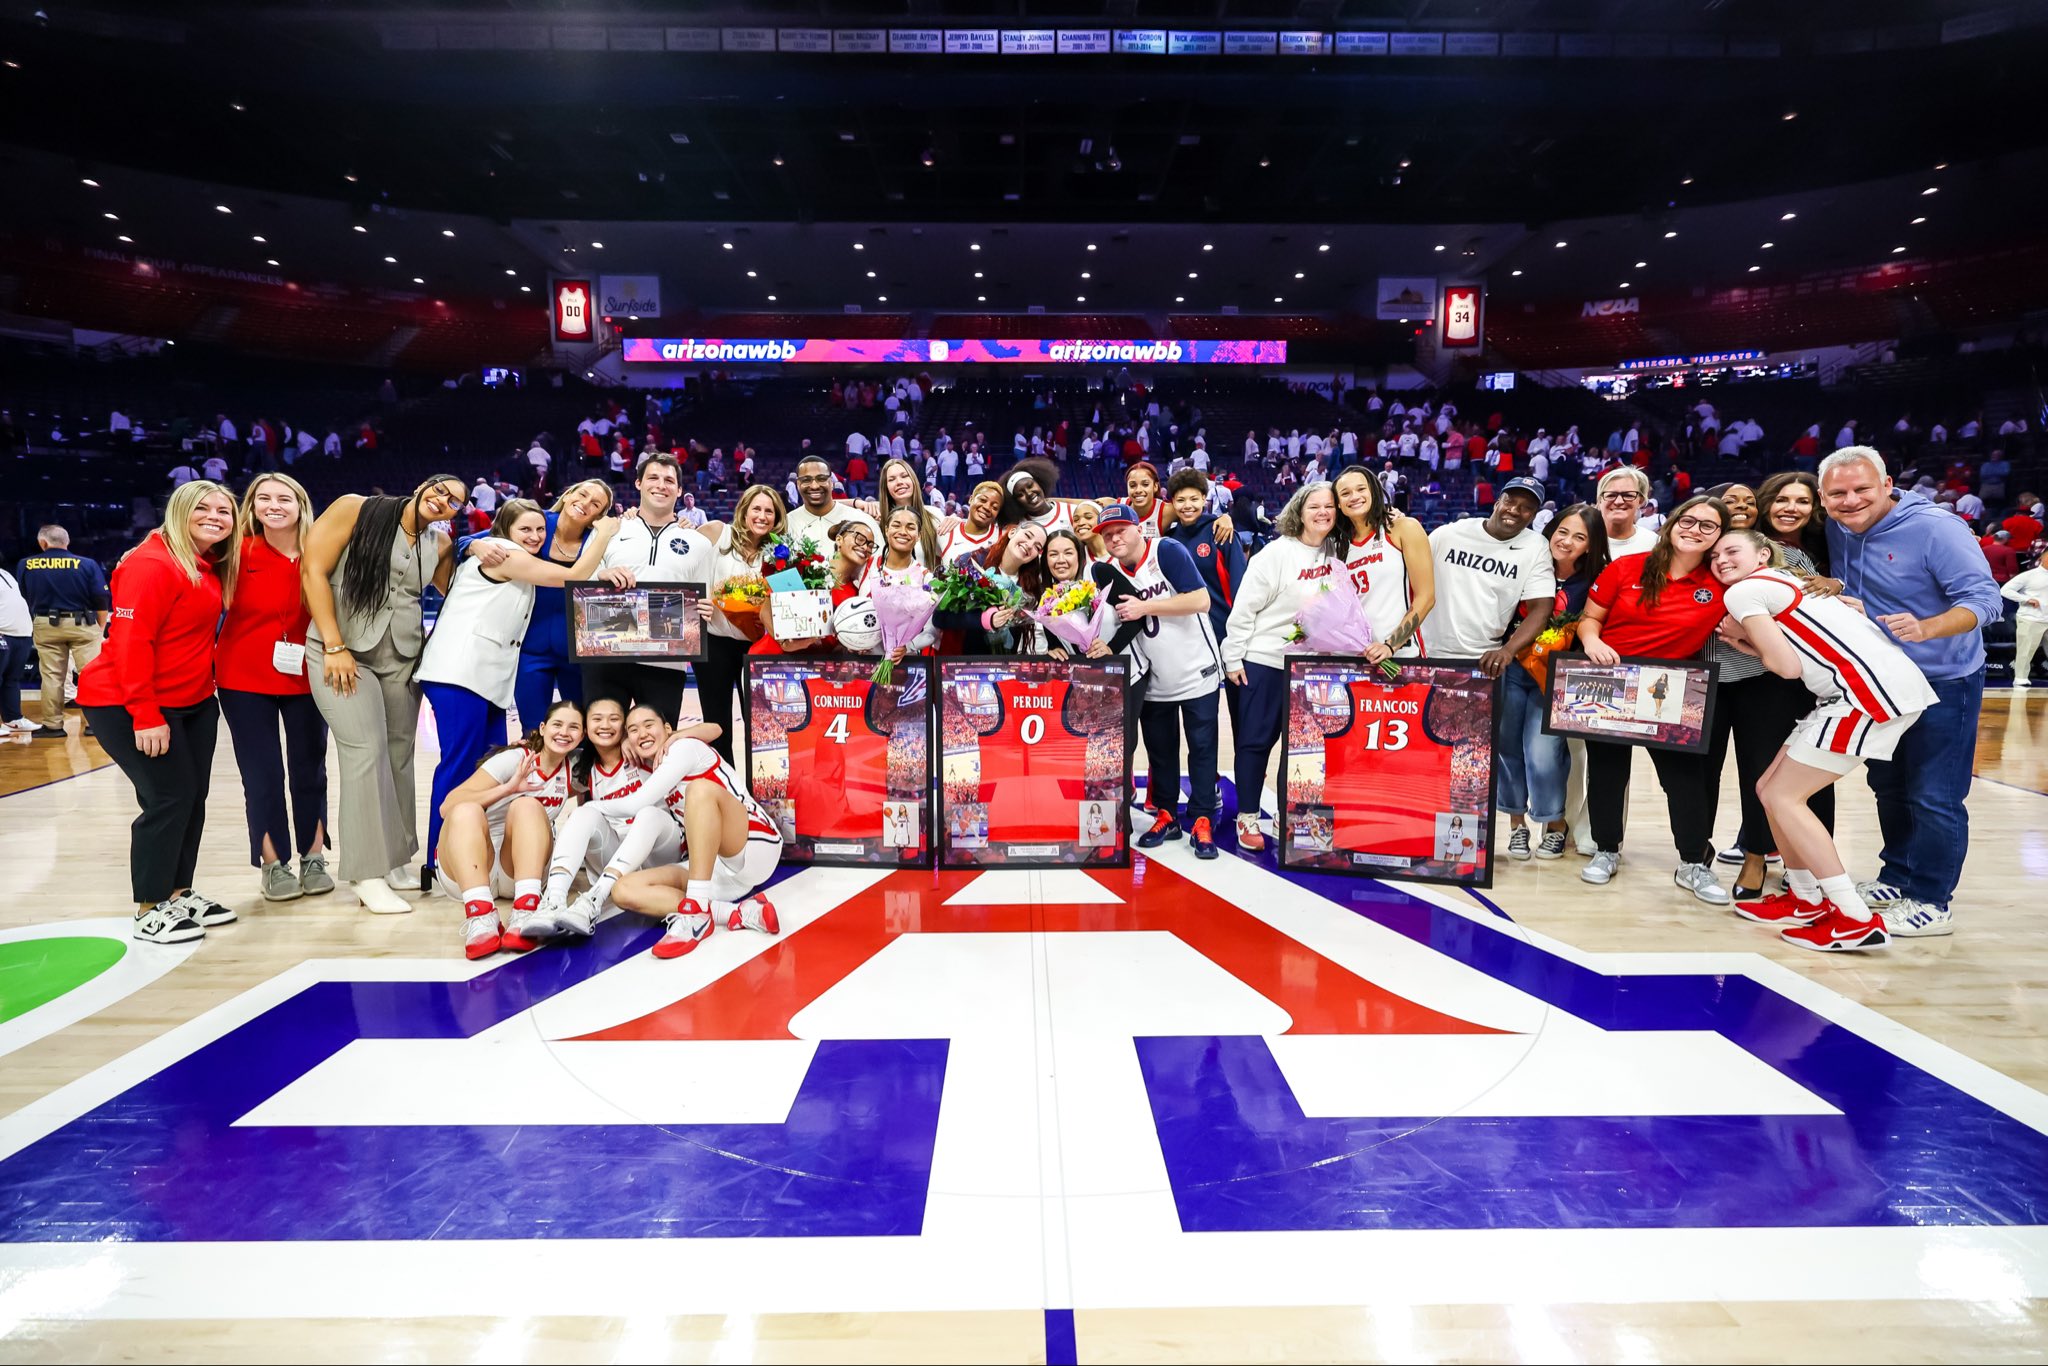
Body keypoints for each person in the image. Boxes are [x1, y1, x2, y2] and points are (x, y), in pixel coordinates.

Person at [1709, 530, 1939, 951]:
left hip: (1865, 694)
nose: (1721, 559)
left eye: (1731, 550)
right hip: (1863, 689)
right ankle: (1805, 899)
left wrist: (1742, 639)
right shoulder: (1789, 580)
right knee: (1768, 789)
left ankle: (1855, 919)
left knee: (1784, 797)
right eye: (1714, 556)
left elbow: (1786, 667)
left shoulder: (1743, 591)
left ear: (1763, 554)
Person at [1823, 447, 2004, 937]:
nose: (1850, 500)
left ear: (1887, 485)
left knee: (1935, 795)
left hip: (1944, 678)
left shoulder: (1937, 528)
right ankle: (1898, 875)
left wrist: (1928, 627)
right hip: (1881, 681)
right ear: (1823, 498)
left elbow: (1986, 600)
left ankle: (1932, 900)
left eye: (1862, 489)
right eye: (1838, 493)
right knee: (1889, 786)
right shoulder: (1838, 528)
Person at [75, 482, 242, 944]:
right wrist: (146, 714)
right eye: (202, 508)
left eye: (224, 511)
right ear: (180, 511)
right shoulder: (151, 564)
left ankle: (177, 892)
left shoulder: (208, 563)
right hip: (128, 701)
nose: (214, 516)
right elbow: (131, 643)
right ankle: (150, 908)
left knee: (191, 798)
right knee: (168, 798)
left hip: (193, 701)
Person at [419, 497, 618, 871]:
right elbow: (573, 576)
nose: (535, 536)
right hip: (459, 672)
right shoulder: (505, 553)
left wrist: (470, 544)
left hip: (486, 680)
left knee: (486, 768)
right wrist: (605, 533)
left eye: (540, 529)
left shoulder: (512, 554)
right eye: (525, 529)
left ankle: (476, 851)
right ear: (504, 530)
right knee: (459, 765)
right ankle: (438, 857)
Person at [302, 472, 468, 912]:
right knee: (365, 751)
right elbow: (313, 570)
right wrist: (333, 645)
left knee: (398, 756)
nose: (444, 500)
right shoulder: (356, 508)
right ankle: (365, 872)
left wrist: (483, 548)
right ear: (422, 486)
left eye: (455, 501)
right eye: (440, 490)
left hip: (402, 657)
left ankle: (394, 860)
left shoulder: (440, 544)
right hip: (343, 651)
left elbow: (460, 593)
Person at [1574, 495, 1733, 902]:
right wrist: (1592, 642)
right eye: (1688, 520)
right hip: (1611, 681)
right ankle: (1607, 850)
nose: (1694, 530)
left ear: (1719, 535)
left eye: (1708, 525)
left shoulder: (1722, 581)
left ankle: (1693, 863)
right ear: (1672, 523)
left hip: (1673, 688)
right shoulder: (1626, 567)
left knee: (1683, 779)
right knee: (1607, 772)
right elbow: (1589, 619)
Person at [1707, 471, 1838, 896]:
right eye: (1732, 500)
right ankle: (1711, 854)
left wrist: (1836, 585)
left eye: (1747, 501)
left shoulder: (1785, 554)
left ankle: (1762, 857)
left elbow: (1811, 612)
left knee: (1767, 769)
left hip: (1768, 675)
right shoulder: (1700, 546)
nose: (1741, 507)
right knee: (1715, 774)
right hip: (1706, 675)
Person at [215, 473, 334, 902]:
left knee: (310, 769)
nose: (273, 505)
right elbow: (181, 550)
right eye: (263, 498)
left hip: (307, 676)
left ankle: (314, 856)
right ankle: (273, 863)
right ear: (252, 507)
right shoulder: (234, 550)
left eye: (284, 498)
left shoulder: (323, 551)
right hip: (243, 679)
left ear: (301, 505)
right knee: (262, 774)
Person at [605, 711, 784, 959]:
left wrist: (590, 808)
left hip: (754, 845)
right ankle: (735, 913)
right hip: (712, 869)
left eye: (648, 725)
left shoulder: (684, 747)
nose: (642, 733)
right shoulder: (650, 767)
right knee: (623, 889)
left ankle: (696, 913)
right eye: (633, 730)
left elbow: (716, 728)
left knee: (699, 790)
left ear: (668, 729)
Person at [1099, 503, 1224, 859]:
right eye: (1108, 535)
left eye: (1121, 530)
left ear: (1139, 529)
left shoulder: (1166, 550)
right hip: (1153, 676)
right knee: (1161, 752)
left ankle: (1202, 818)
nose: (1115, 538)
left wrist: (1145, 607)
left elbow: (1200, 600)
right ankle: (1167, 815)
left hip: (1196, 668)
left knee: (1202, 748)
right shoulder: (1108, 571)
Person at [1221, 482, 1340, 851]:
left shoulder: (1338, 552)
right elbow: (1245, 608)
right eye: (1314, 506)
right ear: (1299, 511)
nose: (1322, 512)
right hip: (1265, 660)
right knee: (1255, 742)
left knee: (1305, 749)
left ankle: (1292, 817)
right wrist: (1233, 656)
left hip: (1314, 667)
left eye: (1329, 506)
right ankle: (1247, 817)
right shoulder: (1276, 553)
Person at [1498, 504, 1609, 860]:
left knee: (1543, 754)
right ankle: (1516, 825)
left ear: (1591, 544)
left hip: (1557, 679)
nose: (1567, 541)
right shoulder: (1528, 560)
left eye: (1579, 537)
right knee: (1507, 747)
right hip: (1511, 668)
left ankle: (1555, 823)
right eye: (1562, 531)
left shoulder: (1597, 579)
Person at [436, 700, 587, 960]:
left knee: (527, 805)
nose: (564, 732)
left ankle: (526, 910)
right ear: (542, 728)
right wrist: (508, 788)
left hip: (520, 871)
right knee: (465, 810)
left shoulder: (576, 768)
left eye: (573, 727)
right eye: (558, 724)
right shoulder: (514, 759)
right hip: (470, 867)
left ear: (582, 736)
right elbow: (447, 806)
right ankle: (481, 916)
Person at [583, 454, 718, 725]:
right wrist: (600, 575)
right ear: (638, 483)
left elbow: (704, 597)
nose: (661, 485)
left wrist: (707, 606)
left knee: (658, 739)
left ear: (679, 490)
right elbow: (580, 580)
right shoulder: (611, 530)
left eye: (669, 480)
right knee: (602, 739)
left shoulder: (698, 542)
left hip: (666, 660)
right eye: (653, 478)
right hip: (606, 655)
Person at [1425, 476, 1557, 674]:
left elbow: (1541, 609)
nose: (1514, 510)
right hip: (1425, 652)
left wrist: (1508, 650)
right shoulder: (1450, 534)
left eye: (1526, 507)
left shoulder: (1536, 547)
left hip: (1482, 660)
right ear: (1497, 503)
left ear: (1533, 516)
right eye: (1509, 502)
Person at [700, 484, 787, 760]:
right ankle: (723, 780)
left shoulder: (781, 552)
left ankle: (757, 782)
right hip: (715, 643)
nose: (762, 516)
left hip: (759, 645)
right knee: (717, 721)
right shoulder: (718, 533)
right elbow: (678, 553)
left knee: (761, 723)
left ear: (777, 517)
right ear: (744, 511)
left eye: (769, 511)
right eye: (756, 509)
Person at [1329, 465, 1435, 662]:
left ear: (1373, 491)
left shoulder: (1403, 528)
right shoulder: (1337, 547)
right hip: (1352, 657)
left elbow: (1426, 597)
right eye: (1345, 493)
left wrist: (1390, 645)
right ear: (1338, 504)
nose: (1354, 496)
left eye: (1361, 489)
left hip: (1400, 655)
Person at [15, 524, 110, 738]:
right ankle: (95, 725)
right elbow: (101, 598)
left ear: (43, 542)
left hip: (45, 624)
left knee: (51, 677)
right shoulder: (86, 564)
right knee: (91, 675)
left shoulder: (26, 564)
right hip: (82, 624)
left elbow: (24, 595)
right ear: (67, 542)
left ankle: (53, 726)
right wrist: (100, 628)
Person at [930, 519, 1048, 654]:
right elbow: (939, 618)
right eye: (1027, 536)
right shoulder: (970, 562)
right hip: (962, 659)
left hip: (1004, 662)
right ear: (1012, 532)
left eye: (1037, 547)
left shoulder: (1031, 588)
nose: (1029, 545)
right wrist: (984, 620)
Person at [785, 453, 880, 550]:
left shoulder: (861, 519)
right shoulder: (787, 523)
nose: (814, 486)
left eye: (821, 479)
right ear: (798, 484)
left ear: (831, 483)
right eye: (806, 480)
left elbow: (879, 557)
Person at [1595, 467, 1660, 558]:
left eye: (1628, 495)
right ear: (1599, 501)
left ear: (1640, 501)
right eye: (1611, 495)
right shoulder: (1583, 540)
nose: (1618, 501)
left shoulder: (1654, 544)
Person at [2003, 558, 2048, 687]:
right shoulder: (2029, 575)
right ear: (2043, 559)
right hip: (2030, 618)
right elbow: (2005, 590)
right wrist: (2026, 599)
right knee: (2026, 650)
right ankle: (2020, 678)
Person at [0, 563, 31, 732]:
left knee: (12, 679)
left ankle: (13, 720)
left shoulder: (6, 573)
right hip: (3, 633)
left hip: (21, 634)